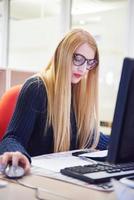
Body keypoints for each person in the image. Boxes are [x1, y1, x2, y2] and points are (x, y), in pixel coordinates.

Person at [0, 28, 109, 175]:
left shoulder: (78, 93)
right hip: (37, 178)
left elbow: (92, 137)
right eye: (78, 58)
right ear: (63, 55)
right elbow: (13, 138)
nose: (83, 68)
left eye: (89, 62)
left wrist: (124, 143)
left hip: (66, 178)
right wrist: (16, 154)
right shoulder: (36, 88)